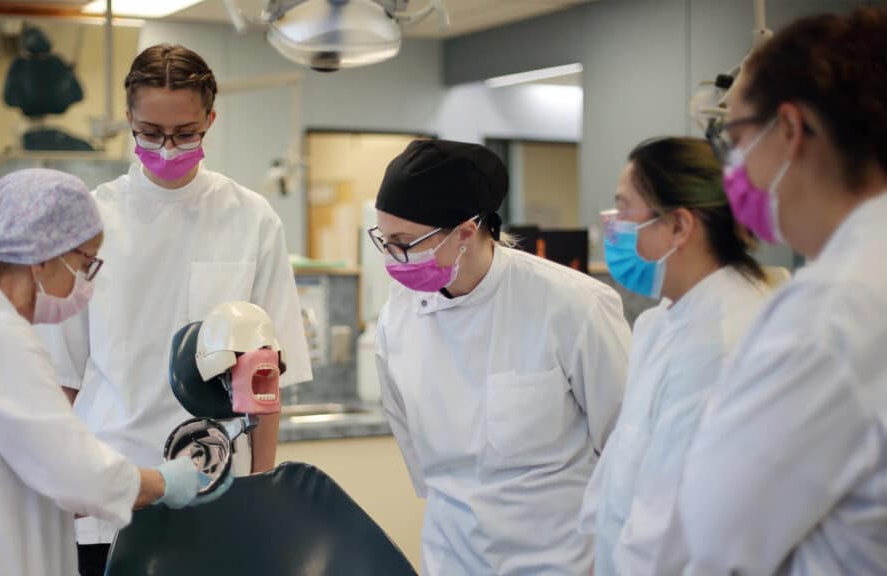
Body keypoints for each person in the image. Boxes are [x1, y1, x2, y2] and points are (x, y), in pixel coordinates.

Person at [36, 43, 312, 574]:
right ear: (128, 120)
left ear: (210, 119)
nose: (166, 149)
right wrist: (63, 481)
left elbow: (265, 380)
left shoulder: (251, 219)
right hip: (110, 486)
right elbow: (63, 376)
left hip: (220, 485)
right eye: (149, 133)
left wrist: (260, 490)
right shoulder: (93, 219)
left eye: (185, 133)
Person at [0, 169, 211, 576]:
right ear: (44, 257)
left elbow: (34, 472)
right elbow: (76, 474)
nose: (87, 282)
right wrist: (165, 483)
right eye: (86, 263)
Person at [675, 7, 887, 574]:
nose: (733, 169)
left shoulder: (832, 311)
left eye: (737, 138)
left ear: (790, 130)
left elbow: (719, 531)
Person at [371, 139, 631, 575]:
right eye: (385, 240)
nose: (393, 258)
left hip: (563, 564)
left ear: (467, 232)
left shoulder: (574, 305)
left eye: (406, 243)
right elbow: (421, 463)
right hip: (451, 561)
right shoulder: (397, 319)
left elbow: (626, 448)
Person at [577, 137, 770, 575]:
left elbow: (671, 522)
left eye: (625, 210)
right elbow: (621, 467)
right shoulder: (661, 321)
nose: (613, 226)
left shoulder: (724, 339)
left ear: (680, 226)